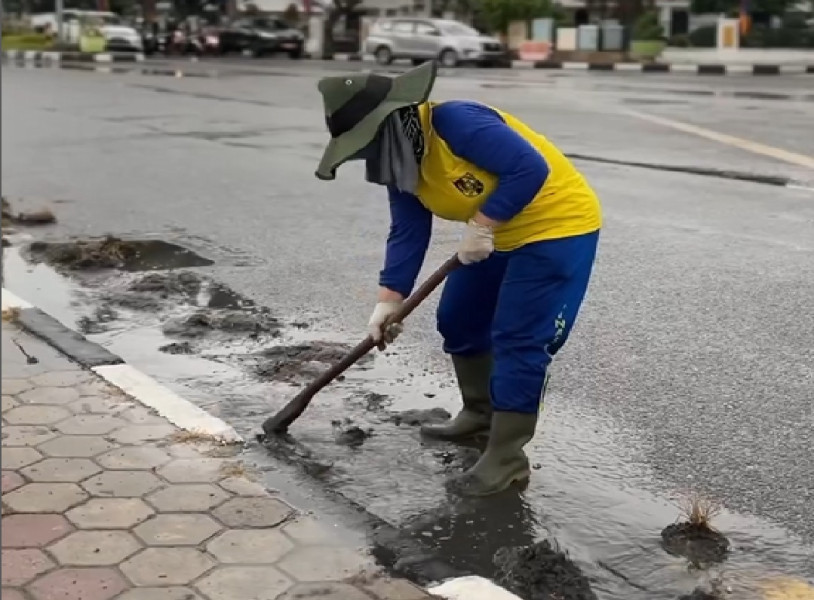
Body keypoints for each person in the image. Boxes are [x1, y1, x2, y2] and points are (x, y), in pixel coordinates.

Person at [314, 62, 601, 497]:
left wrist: (483, 224)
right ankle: (479, 414)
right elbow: (408, 230)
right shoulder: (401, 161)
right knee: (459, 318)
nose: (368, 153)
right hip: (494, 235)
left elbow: (529, 168)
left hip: (556, 227)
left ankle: (507, 457)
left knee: (519, 338)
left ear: (392, 120)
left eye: (367, 141)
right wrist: (389, 301)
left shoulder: (456, 122)